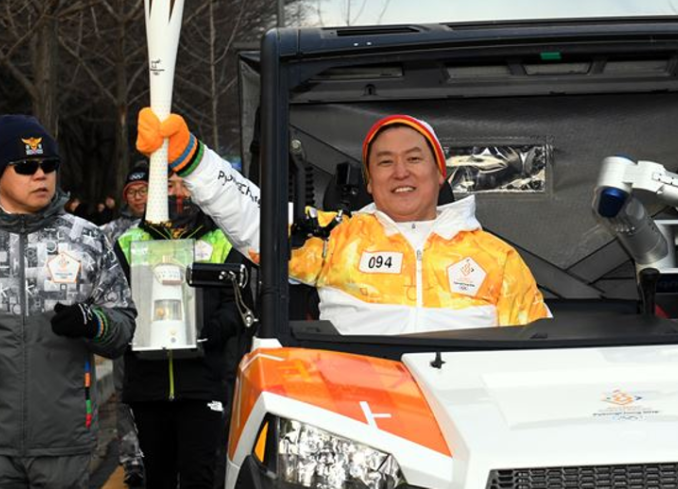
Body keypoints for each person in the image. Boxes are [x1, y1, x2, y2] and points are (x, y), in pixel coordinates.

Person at [135, 109, 550, 335]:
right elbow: (258, 221)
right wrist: (193, 158)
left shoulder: (495, 258)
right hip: (359, 417)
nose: (400, 172)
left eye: (414, 159)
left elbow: (535, 350)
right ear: (370, 181)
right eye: (384, 162)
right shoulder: (339, 239)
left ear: (440, 173)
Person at [0, 115, 136, 488]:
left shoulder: (86, 239)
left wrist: (93, 323)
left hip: (63, 439)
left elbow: (123, 326)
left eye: (49, 165)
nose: (40, 175)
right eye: (26, 166)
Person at [119, 174, 244, 489]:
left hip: (202, 382)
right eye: (168, 184)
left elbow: (238, 305)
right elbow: (114, 304)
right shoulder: (129, 241)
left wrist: (209, 331)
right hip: (148, 384)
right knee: (158, 478)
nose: (178, 193)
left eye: (185, 184)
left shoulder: (222, 241)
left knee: (199, 476)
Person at [100, 160, 149, 487]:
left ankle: (157, 454)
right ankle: (131, 459)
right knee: (124, 392)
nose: (138, 197)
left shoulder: (168, 226)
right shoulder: (110, 232)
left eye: (144, 190)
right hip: (125, 325)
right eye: (132, 192)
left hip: (162, 324)